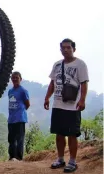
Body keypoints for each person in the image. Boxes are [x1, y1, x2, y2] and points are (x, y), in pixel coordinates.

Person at [44, 38, 89, 173]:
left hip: (72, 106)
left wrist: (82, 100)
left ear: (73, 49)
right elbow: (52, 83)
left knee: (72, 135)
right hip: (57, 104)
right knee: (59, 134)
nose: (65, 50)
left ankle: (73, 161)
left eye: (68, 47)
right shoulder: (57, 65)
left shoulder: (80, 64)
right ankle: (60, 158)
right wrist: (47, 98)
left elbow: (84, 83)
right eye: (63, 48)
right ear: (60, 50)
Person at [7, 71, 30, 161]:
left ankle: (19, 158)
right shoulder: (10, 91)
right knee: (11, 139)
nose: (15, 79)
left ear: (21, 79)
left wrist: (20, 112)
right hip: (11, 119)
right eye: (13, 77)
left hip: (20, 118)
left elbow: (27, 104)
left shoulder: (23, 91)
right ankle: (12, 157)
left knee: (19, 139)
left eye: (17, 77)